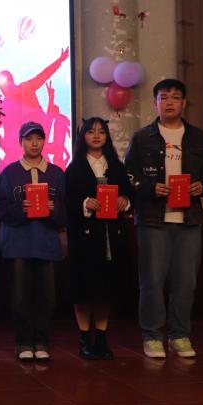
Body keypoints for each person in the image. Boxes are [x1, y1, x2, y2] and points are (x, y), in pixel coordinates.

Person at [124, 79, 203, 359]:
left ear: (184, 103)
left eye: (175, 97)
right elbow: (129, 174)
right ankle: (152, 335)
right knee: (152, 281)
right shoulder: (142, 137)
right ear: (155, 103)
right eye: (163, 97)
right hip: (153, 220)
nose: (169, 102)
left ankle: (180, 334)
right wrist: (151, 188)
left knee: (185, 281)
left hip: (188, 221)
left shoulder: (197, 137)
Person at [0, 121, 66, 361]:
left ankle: (42, 341)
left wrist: (54, 208)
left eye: (38, 138)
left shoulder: (56, 173)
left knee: (48, 297)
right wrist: (21, 208)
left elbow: (66, 212)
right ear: (20, 142)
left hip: (47, 243)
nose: (34, 143)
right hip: (18, 244)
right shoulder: (9, 173)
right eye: (28, 139)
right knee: (20, 297)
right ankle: (24, 342)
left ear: (44, 141)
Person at [64, 117, 133, 360]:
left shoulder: (116, 166)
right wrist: (85, 203)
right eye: (90, 132)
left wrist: (125, 201)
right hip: (84, 237)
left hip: (110, 236)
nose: (96, 136)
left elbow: (128, 193)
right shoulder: (74, 168)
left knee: (106, 288)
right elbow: (67, 201)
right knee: (83, 288)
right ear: (82, 136)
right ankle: (84, 338)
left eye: (101, 132)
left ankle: (102, 338)